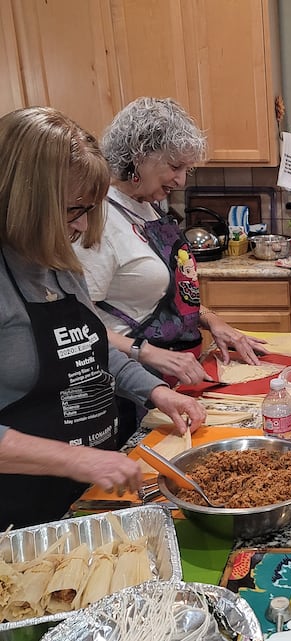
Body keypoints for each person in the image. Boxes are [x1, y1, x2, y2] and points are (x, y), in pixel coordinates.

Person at [0, 107, 207, 530]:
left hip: (85, 496)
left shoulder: (56, 263)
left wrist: (156, 393)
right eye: (74, 210)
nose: (81, 227)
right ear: (25, 199)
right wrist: (77, 458)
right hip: (19, 512)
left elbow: (89, 351)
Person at [74, 97, 267, 442]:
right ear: (138, 156)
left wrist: (212, 320)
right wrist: (144, 352)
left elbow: (168, 290)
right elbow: (78, 325)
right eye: (175, 166)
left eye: (186, 170)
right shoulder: (98, 221)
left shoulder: (148, 208)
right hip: (130, 388)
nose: (180, 180)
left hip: (175, 378)